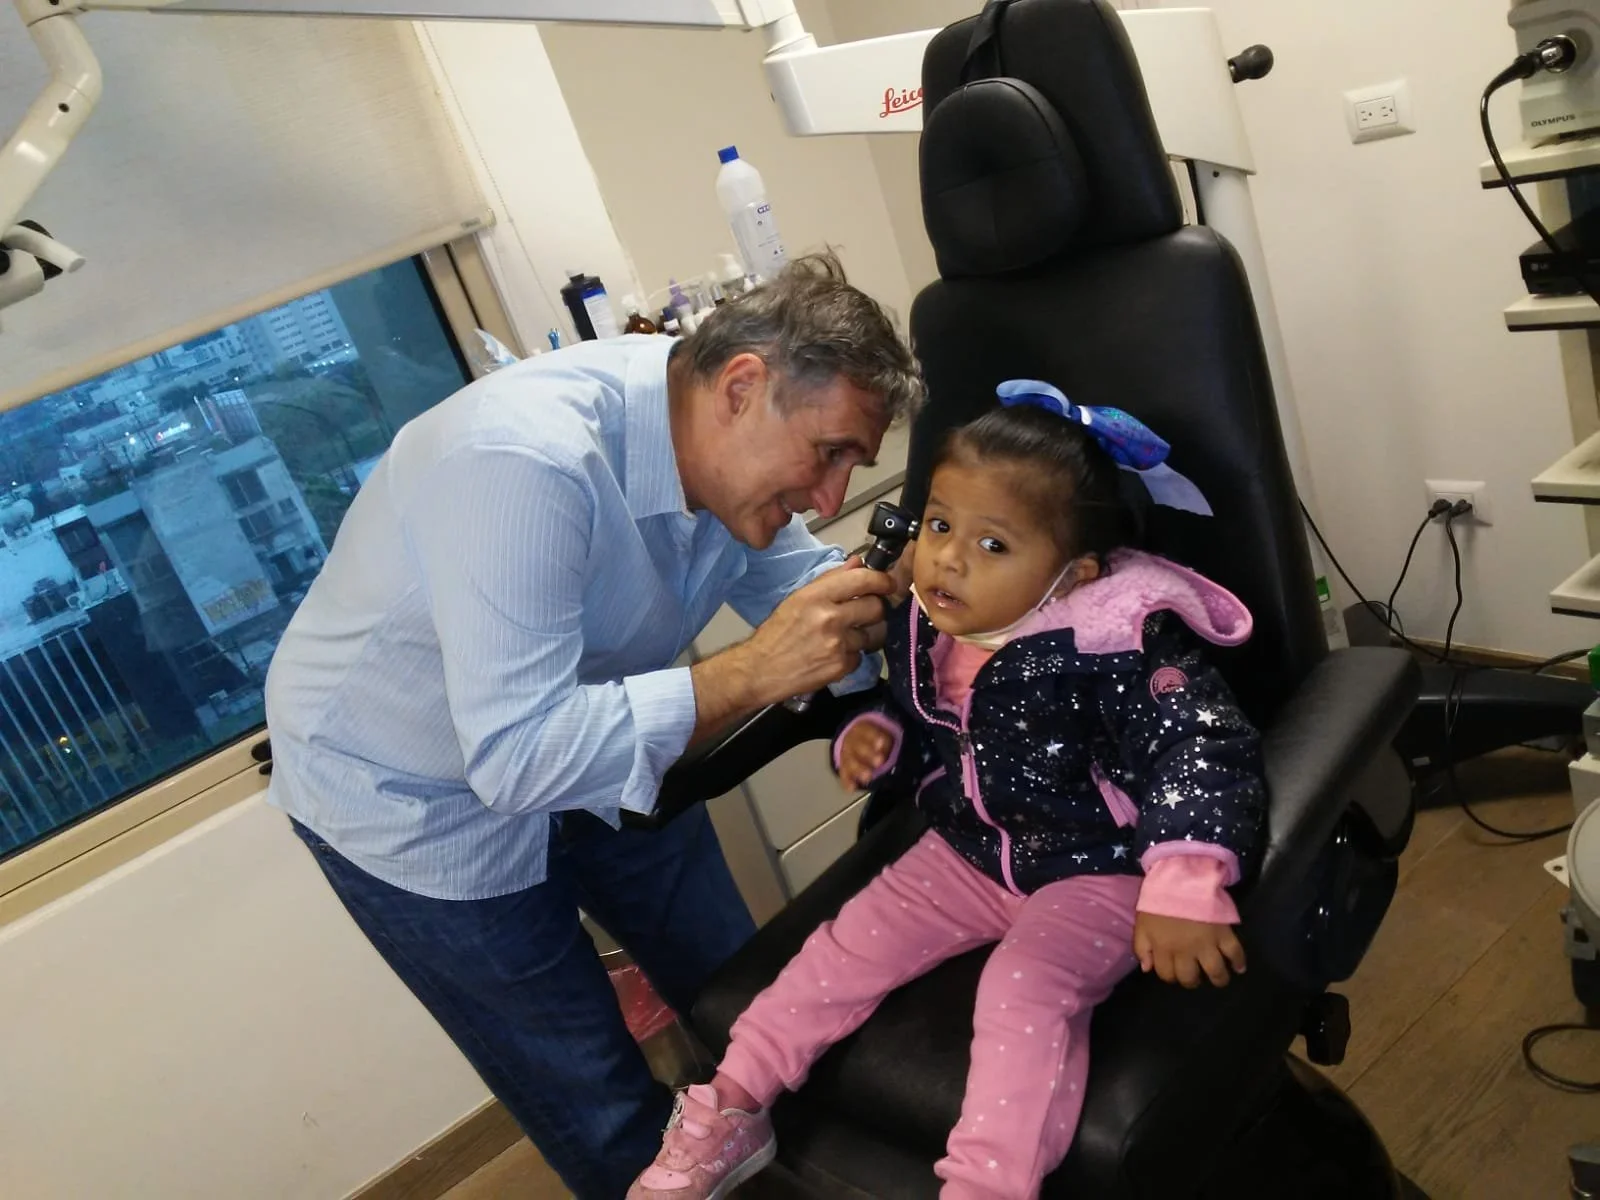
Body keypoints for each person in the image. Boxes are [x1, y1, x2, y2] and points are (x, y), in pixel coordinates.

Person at [262, 253, 922, 1199]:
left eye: (849, 466)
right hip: (412, 795)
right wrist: (749, 672)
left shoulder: (711, 450)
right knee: (602, 1101)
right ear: (744, 386)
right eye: (827, 455)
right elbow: (518, 760)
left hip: (588, 721)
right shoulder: (525, 461)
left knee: (747, 989)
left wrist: (892, 607)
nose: (827, 498)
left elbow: (797, 587)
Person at [628, 381, 1267, 1200]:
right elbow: (928, 729)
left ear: (1071, 576)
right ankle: (732, 1104)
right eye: (937, 525)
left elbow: (1201, 745)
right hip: (966, 851)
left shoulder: (1117, 640)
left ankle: (987, 1187)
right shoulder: (932, 624)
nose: (947, 558)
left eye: (993, 545)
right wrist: (882, 741)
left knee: (1021, 996)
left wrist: (1185, 880)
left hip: (1096, 869)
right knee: (837, 951)